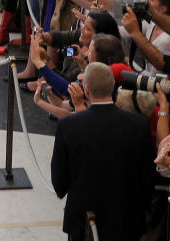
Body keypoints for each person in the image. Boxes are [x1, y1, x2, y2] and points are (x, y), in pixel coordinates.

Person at [51, 62, 155, 241]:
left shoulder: (68, 126)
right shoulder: (139, 125)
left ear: (87, 89)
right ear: (113, 87)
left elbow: (59, 180)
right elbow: (147, 177)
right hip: (126, 217)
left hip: (84, 216)